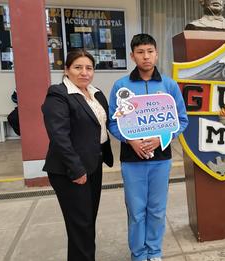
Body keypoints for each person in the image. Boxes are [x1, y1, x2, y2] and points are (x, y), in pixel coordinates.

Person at [108, 34, 188, 261]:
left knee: (156, 210)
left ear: (156, 53)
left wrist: (162, 138)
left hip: (161, 159)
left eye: (150, 51)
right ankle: (138, 254)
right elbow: (114, 122)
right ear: (133, 56)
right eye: (141, 52)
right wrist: (129, 140)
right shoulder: (121, 86)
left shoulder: (169, 85)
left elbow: (181, 120)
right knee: (136, 211)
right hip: (132, 160)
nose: (146, 56)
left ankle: (154, 252)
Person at [41, 49, 114, 261]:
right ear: (66, 70)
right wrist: (76, 169)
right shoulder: (58, 94)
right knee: (80, 224)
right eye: (78, 67)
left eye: (89, 68)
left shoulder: (96, 92)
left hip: (94, 163)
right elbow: (59, 136)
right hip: (70, 170)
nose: (84, 72)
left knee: (86, 221)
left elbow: (106, 123)